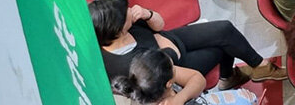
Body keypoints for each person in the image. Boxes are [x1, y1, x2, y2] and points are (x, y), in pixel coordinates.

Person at [90, 0, 284, 87]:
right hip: (173, 69)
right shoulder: (122, 63)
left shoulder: (130, 24)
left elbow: (160, 27)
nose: (131, 11)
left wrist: (148, 15)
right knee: (222, 48)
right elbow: (168, 61)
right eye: (127, 13)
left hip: (169, 42)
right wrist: (163, 44)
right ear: (116, 29)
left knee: (224, 29)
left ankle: (259, 67)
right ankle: (228, 77)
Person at [109, 48, 257, 105]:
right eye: (173, 68)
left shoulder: (146, 82)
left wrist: (180, 98)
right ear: (168, 83)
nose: (175, 69)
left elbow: (197, 79)